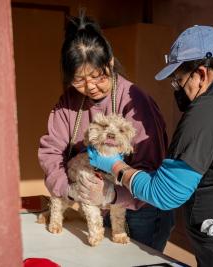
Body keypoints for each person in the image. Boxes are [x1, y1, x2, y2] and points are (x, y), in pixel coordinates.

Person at [84, 25, 213, 266]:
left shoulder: (210, 109)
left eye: (178, 81)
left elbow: (165, 194)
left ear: (202, 74)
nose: (178, 89)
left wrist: (116, 167)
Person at [38, 13, 174, 252]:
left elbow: (151, 169)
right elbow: (51, 151)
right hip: (94, 207)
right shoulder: (68, 102)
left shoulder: (136, 101)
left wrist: (113, 195)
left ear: (109, 63)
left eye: (96, 76)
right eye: (79, 80)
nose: (89, 87)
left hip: (139, 210)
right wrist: (66, 189)